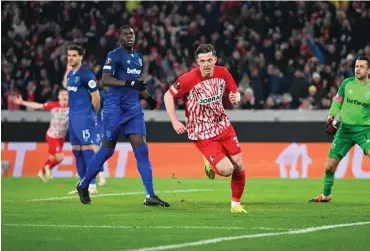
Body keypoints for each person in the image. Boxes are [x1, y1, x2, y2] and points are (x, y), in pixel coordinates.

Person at [75, 25, 168, 207]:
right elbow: (106, 80)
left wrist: (148, 98)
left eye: (132, 34)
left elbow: (135, 86)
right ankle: (84, 184)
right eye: (126, 34)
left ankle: (150, 195)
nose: (129, 36)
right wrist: (130, 82)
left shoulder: (139, 58)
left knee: (141, 150)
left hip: (133, 110)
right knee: (107, 151)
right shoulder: (114, 55)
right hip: (114, 109)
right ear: (119, 38)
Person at [163, 44, 247, 213]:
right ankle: (209, 161)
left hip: (222, 124)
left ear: (215, 59)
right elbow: (168, 96)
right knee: (227, 170)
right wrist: (175, 121)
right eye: (202, 61)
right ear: (197, 62)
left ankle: (235, 205)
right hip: (201, 131)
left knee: (238, 165)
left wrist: (236, 97)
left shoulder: (223, 73)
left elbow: (235, 92)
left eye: (209, 60)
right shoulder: (189, 79)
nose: (206, 64)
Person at [309, 56, 370, 205]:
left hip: (364, 130)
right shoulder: (347, 84)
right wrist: (331, 117)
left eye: (362, 66)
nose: (358, 69)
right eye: (356, 66)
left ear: (369, 70)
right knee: (329, 167)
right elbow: (337, 102)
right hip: (344, 130)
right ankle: (326, 195)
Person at [66, 44, 101, 195]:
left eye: (74, 55)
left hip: (85, 117)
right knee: (76, 152)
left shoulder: (87, 75)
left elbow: (96, 98)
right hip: (73, 118)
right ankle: (82, 184)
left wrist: (92, 114)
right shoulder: (70, 75)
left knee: (87, 151)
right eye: (69, 55)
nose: (71, 58)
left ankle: (92, 184)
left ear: (81, 57)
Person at [13, 90, 69, 181]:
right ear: (59, 97)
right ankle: (48, 167)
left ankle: (41, 172)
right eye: (62, 94)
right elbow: (37, 105)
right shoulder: (53, 105)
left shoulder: (72, 107)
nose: (64, 96)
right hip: (52, 136)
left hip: (62, 137)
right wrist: (23, 102)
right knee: (60, 157)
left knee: (52, 158)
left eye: (66, 94)